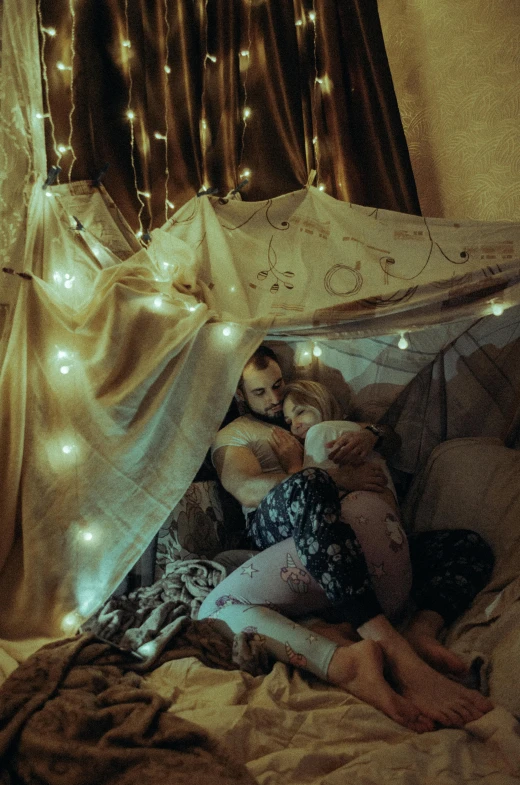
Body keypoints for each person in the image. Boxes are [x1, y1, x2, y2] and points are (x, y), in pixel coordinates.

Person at [198, 346, 494, 731]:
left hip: (342, 541)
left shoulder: (305, 411)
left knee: (467, 545)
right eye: (259, 393)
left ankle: (422, 630)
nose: (273, 400)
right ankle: (390, 646)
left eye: (277, 385)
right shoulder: (236, 434)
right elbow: (245, 487)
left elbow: (392, 440)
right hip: (277, 531)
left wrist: (371, 435)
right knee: (311, 483)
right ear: (239, 395)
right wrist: (335, 478)